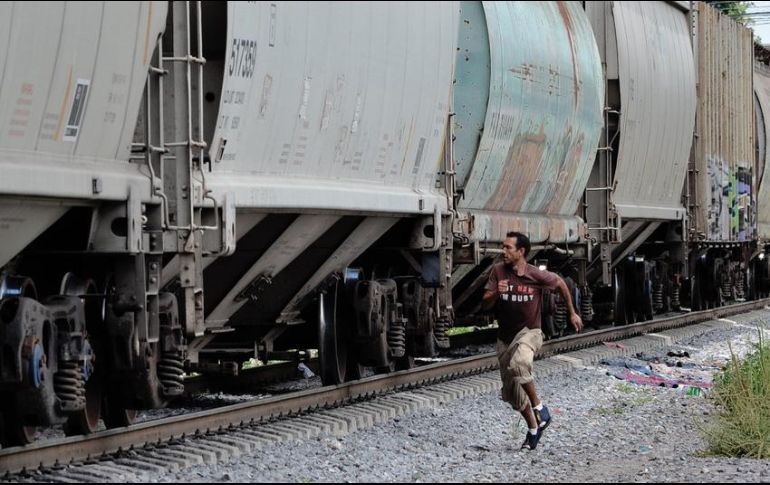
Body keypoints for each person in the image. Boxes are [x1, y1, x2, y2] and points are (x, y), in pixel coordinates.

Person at [482, 231, 583, 450]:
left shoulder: (535, 275)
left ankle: (540, 408)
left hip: (530, 332)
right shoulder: (498, 271)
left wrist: (572, 313)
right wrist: (496, 294)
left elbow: (560, 284)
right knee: (513, 396)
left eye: (508, 248)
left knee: (520, 363)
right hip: (505, 338)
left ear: (521, 251)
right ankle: (534, 428)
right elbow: (485, 304)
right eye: (503, 247)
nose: (504, 251)